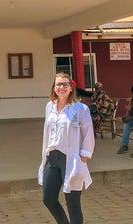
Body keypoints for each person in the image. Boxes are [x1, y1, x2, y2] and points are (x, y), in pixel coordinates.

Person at [38, 73, 94, 224]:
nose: (61, 87)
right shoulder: (49, 106)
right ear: (54, 88)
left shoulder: (80, 109)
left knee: (73, 203)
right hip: (52, 157)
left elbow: (88, 132)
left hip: (71, 158)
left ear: (71, 88)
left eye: (65, 84)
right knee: (48, 199)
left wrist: (85, 155)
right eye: (58, 84)